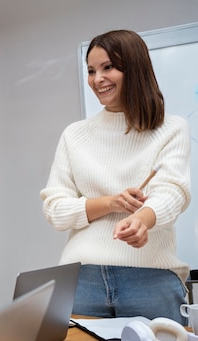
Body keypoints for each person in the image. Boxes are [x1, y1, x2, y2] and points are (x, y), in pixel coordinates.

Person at [40, 29, 191, 323]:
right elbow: (55, 209)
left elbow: (173, 193)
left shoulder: (171, 128)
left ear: (134, 68)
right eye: (92, 70)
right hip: (81, 279)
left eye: (108, 67)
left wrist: (142, 220)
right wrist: (111, 203)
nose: (97, 79)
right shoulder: (75, 135)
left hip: (151, 279)